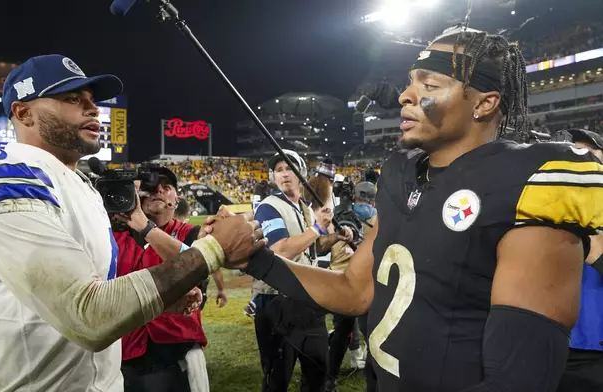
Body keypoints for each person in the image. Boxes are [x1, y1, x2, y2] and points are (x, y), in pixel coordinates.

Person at [239, 28, 603, 391]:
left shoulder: (528, 185)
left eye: (429, 86)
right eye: (411, 82)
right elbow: (355, 289)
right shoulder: (401, 176)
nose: (405, 95)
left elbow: (514, 382)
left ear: (484, 103)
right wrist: (254, 259)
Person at [0, 54, 263, 391]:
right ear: (23, 112)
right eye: (72, 99)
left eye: (91, 100)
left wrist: (160, 296)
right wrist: (213, 250)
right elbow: (87, 316)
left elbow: (93, 286)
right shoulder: (1, 171)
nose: (92, 109)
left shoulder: (80, 186)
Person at [113, 166, 226, 392]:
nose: (158, 190)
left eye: (166, 187)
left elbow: (195, 272)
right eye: (149, 187)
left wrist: (146, 228)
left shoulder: (192, 234)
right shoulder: (115, 235)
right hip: (122, 354)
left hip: (174, 352)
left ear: (177, 199)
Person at [252, 149, 351, 392]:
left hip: (307, 299)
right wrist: (317, 227)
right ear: (273, 177)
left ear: (302, 174)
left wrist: (336, 236)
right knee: (277, 379)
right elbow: (281, 249)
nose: (284, 174)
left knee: (318, 374)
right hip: (277, 304)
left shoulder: (305, 207)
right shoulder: (269, 207)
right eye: (278, 170)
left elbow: (313, 246)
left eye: (289, 168)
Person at [555, 128, 603, 391]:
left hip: (594, 352)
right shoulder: (550, 207)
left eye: (590, 150)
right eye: (575, 151)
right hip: (552, 342)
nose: (581, 156)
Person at [323, 181, 377, 392]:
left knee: (342, 333)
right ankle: (374, 381)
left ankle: (330, 377)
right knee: (372, 335)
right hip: (367, 283)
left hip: (342, 281)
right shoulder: (378, 217)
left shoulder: (340, 215)